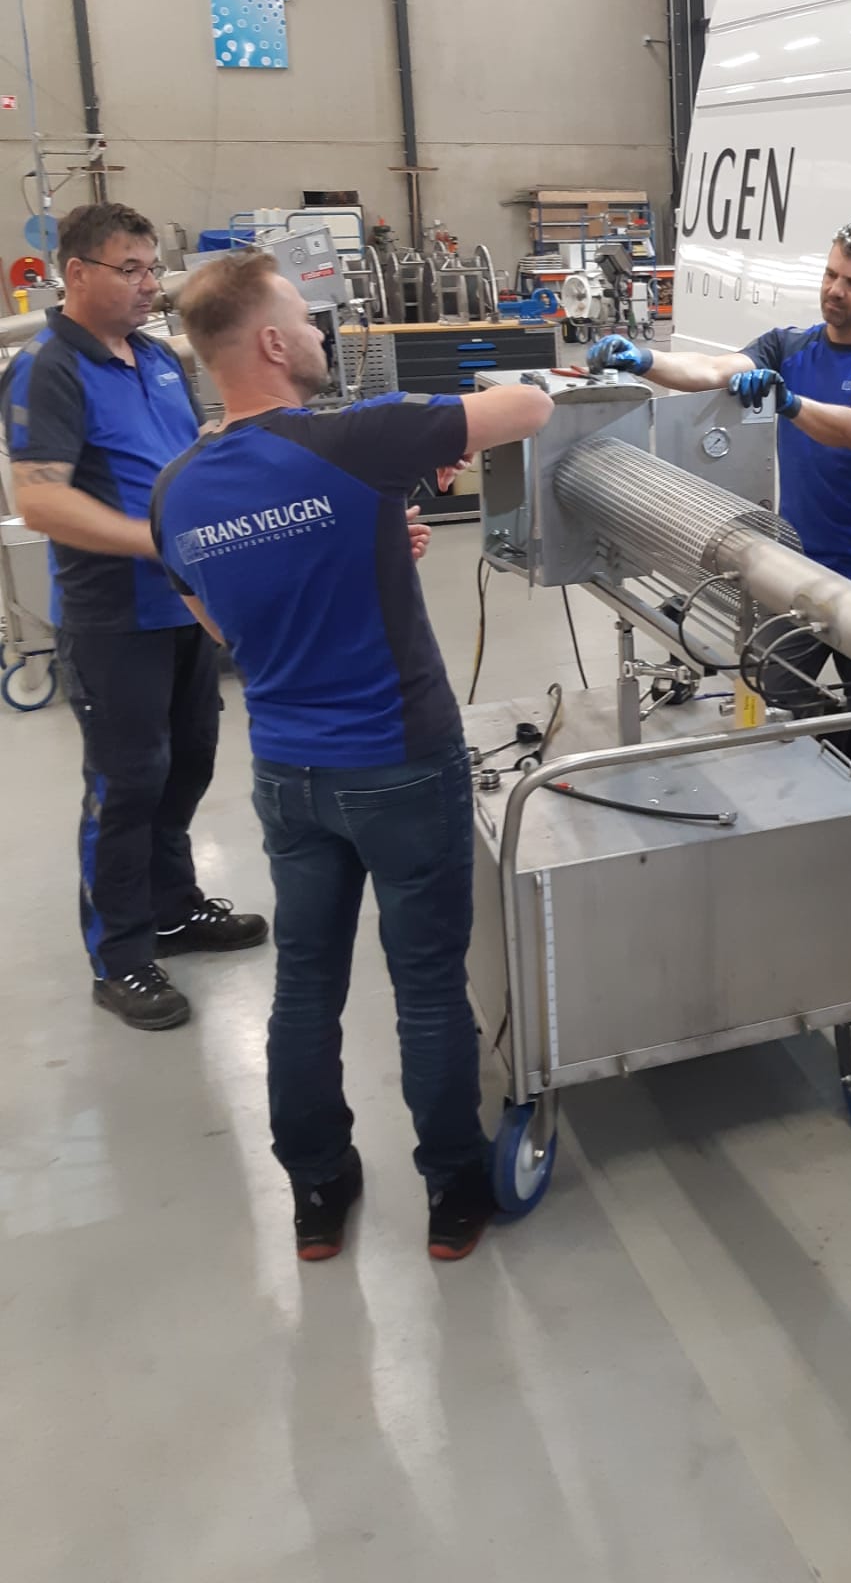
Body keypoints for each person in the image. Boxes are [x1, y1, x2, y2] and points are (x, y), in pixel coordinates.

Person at [150, 251, 552, 1264]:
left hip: (289, 773)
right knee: (427, 985)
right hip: (400, 759)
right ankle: (453, 1190)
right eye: (306, 318)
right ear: (270, 341)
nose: (320, 334)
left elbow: (224, 625)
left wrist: (355, 542)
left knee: (305, 982)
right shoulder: (354, 437)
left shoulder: (175, 490)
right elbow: (530, 406)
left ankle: (318, 1191)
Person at [0, 202, 266, 1031]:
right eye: (131, 270)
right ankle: (118, 955)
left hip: (183, 602)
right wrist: (160, 540)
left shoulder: (154, 356)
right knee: (126, 784)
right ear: (77, 273)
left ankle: (173, 907)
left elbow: (173, 460)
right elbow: (42, 502)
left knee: (187, 763)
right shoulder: (47, 367)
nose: (150, 285)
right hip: (114, 615)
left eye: (153, 269)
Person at [589, 219, 851, 784]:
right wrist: (644, 360)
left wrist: (789, 402)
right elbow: (711, 370)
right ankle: (807, 801)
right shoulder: (789, 345)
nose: (834, 290)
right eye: (830, 274)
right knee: (774, 703)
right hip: (796, 568)